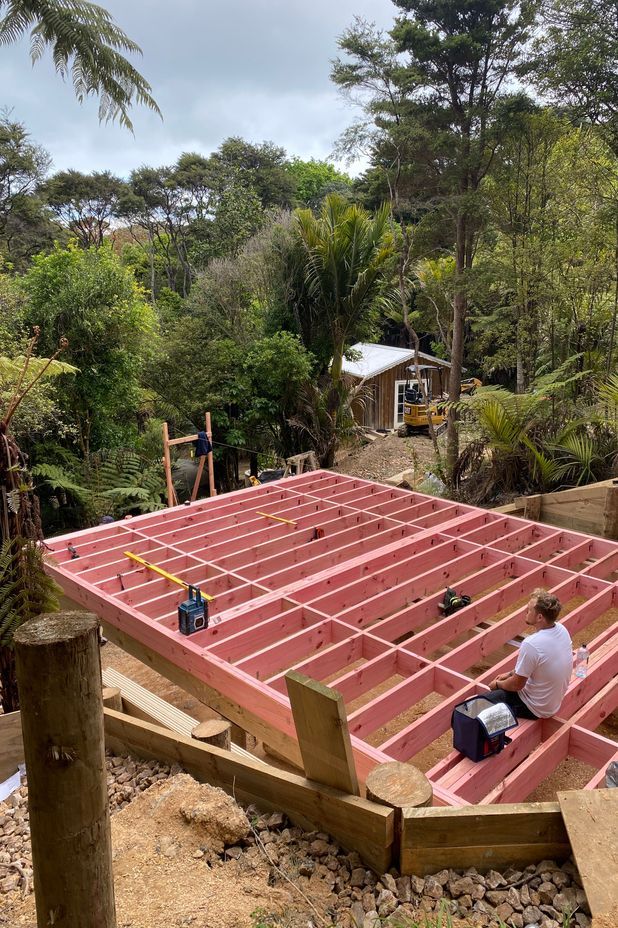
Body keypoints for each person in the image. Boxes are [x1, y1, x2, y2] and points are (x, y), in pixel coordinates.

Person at [484, 589, 573, 719]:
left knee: (480, 704)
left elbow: (516, 685)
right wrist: (509, 674)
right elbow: (534, 666)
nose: (526, 612)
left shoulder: (531, 644)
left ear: (539, 617)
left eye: (529, 610)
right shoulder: (561, 629)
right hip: (552, 703)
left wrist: (497, 685)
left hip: (533, 707)